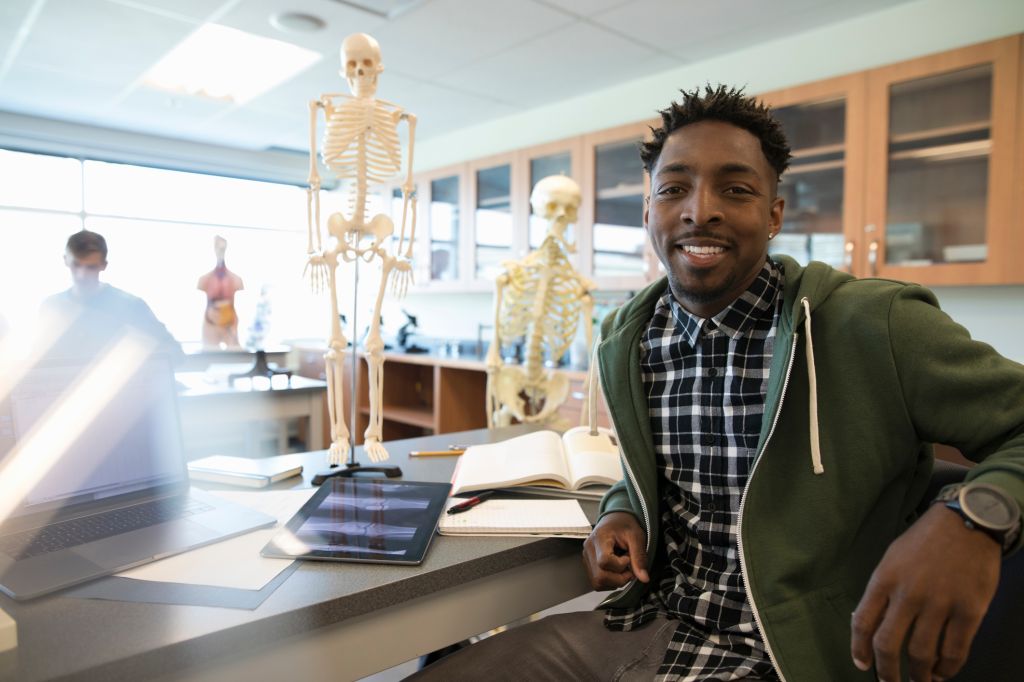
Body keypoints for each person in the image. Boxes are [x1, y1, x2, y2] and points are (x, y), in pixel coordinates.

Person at [408, 85, 1024, 681]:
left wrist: (972, 517)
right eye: (675, 188)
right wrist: (621, 512)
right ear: (649, 209)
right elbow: (651, 473)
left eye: (735, 188)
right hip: (651, 626)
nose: (700, 210)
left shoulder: (875, 325)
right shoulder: (632, 337)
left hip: (795, 654)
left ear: (774, 213)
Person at [40, 230, 183, 365]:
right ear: (65, 260)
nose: (81, 275)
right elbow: (38, 361)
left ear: (104, 265)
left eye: (91, 267)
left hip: (124, 390)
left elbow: (176, 356)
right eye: (76, 265)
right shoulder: (51, 307)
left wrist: (140, 351)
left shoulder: (131, 306)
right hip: (64, 389)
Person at [197, 235, 244, 349]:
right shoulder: (205, 279)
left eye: (222, 248)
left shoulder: (235, 279)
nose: (220, 251)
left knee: (234, 353)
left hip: (230, 321)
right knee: (210, 352)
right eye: (217, 247)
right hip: (211, 321)